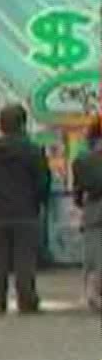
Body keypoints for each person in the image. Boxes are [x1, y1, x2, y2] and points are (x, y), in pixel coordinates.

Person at [0, 103, 53, 314]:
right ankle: (27, 300)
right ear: (23, 124)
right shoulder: (33, 151)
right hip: (26, 212)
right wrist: (37, 204)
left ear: (0, 125)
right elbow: (43, 182)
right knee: (24, 261)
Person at [73, 118, 102, 312]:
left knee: (93, 254)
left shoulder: (82, 160)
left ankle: (93, 294)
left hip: (93, 210)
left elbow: (79, 191)